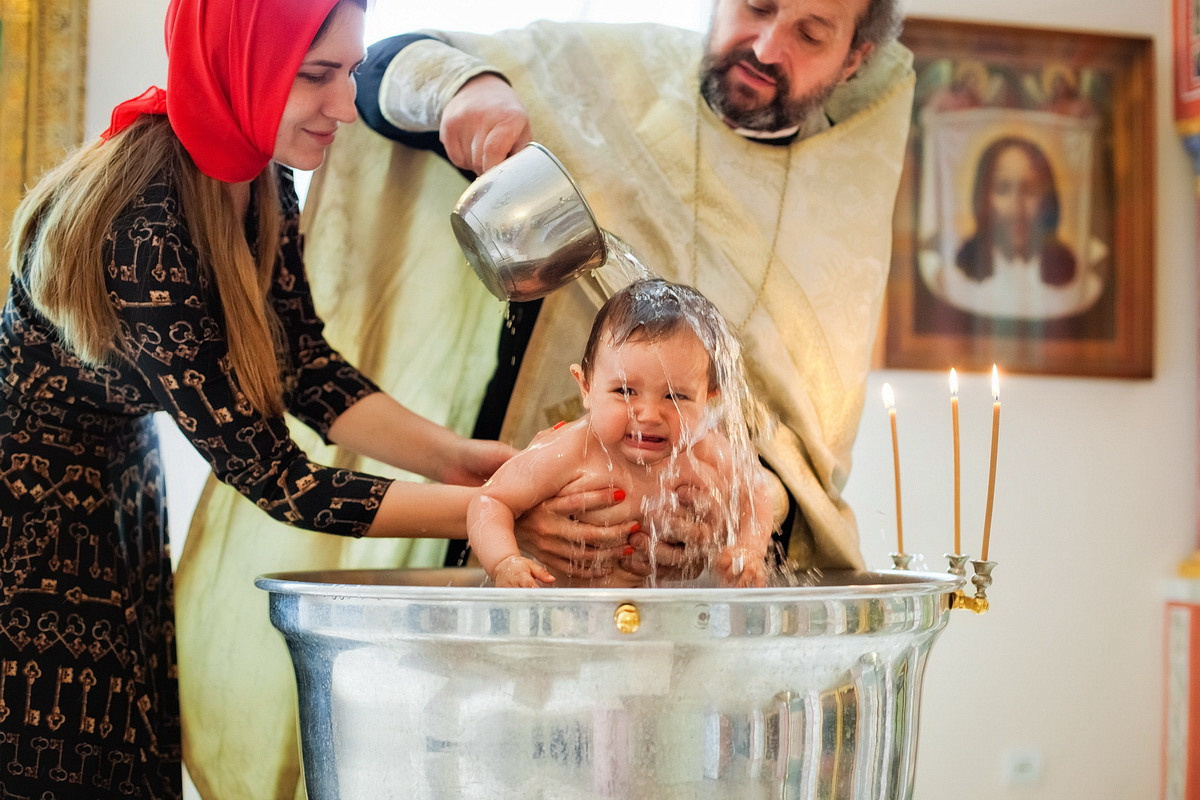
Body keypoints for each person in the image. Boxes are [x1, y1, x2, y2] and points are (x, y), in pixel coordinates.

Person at [180, 1, 917, 795]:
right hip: (528, 600)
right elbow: (381, 67)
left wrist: (739, 522)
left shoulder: (846, 193)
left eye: (810, 32)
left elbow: (795, 456)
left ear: (854, 57)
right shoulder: (603, 73)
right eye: (757, 6)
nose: (766, 44)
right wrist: (468, 92)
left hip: (694, 629)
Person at [0, 1, 517, 797]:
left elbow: (303, 366)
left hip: (115, 490)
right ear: (239, 65)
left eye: (349, 72)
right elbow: (279, 478)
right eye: (318, 76)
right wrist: (488, 510)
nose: (346, 106)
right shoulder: (145, 226)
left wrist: (460, 462)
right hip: (28, 524)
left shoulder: (261, 176)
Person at [471, 279, 774, 589]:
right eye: (625, 391)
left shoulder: (705, 450)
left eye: (676, 396)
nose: (649, 415)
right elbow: (490, 501)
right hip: (575, 613)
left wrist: (749, 548)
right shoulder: (570, 451)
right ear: (586, 387)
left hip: (667, 616)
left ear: (708, 399)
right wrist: (504, 562)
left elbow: (758, 494)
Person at [939, 135, 1091, 320]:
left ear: (1047, 200)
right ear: (984, 197)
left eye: (1029, 189)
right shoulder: (955, 282)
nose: (1017, 207)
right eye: (1003, 188)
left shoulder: (1080, 286)